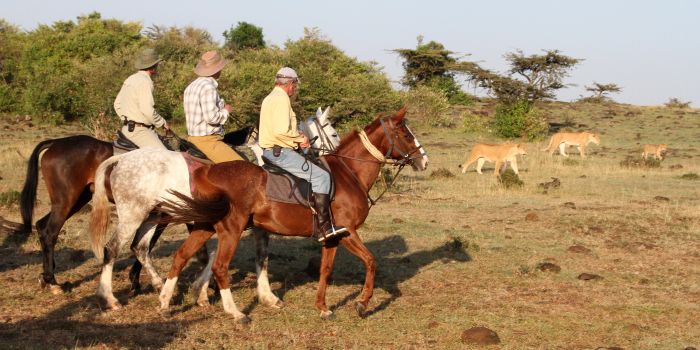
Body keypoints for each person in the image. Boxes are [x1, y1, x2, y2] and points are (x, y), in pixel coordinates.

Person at [258, 67, 347, 242]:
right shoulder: (282, 99)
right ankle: (324, 227)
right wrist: (301, 138)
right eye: (295, 85)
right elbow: (281, 130)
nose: (295, 89)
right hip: (281, 152)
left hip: (272, 150)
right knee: (321, 177)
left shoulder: (269, 98)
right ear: (290, 84)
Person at [184, 50, 243, 163]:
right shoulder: (208, 87)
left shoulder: (191, 86)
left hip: (192, 138)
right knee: (243, 169)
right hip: (208, 141)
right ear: (216, 70)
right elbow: (211, 118)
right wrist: (226, 111)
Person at [114, 48, 170, 149]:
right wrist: (162, 123)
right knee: (165, 157)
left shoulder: (130, 79)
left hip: (126, 129)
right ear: (153, 67)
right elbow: (147, 110)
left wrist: (127, 118)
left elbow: (117, 104)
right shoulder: (145, 82)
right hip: (140, 133)